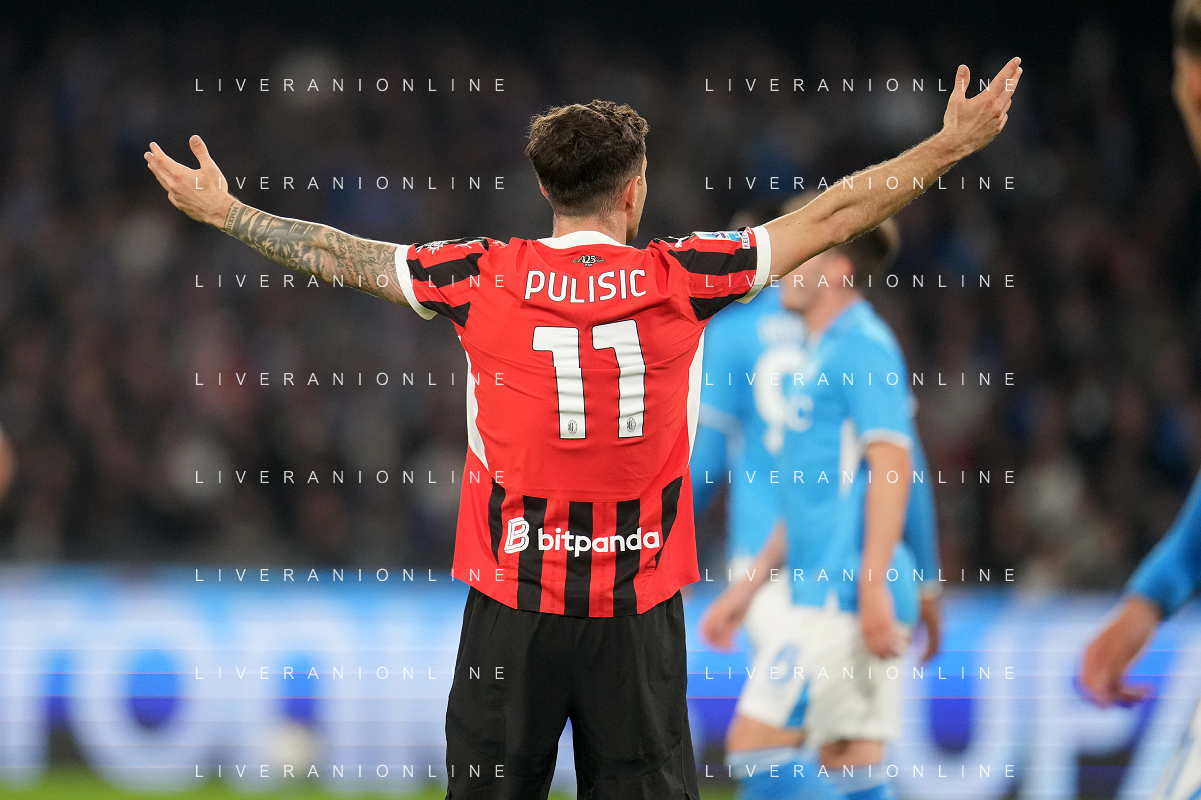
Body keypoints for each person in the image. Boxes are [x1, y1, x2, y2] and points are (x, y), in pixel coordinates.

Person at [144, 57, 1021, 800]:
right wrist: (952, 143)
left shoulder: (477, 275)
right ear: (633, 192)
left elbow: (341, 256)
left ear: (543, 188)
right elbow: (834, 216)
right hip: (633, 618)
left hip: (509, 612)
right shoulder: (685, 276)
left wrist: (227, 212)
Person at [692, 203, 941, 799]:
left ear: (836, 268)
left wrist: (875, 584)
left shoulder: (863, 346)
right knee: (849, 763)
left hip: (845, 590)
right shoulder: (822, 353)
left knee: (755, 748)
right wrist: (749, 586)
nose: (783, 265)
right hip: (820, 586)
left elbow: (895, 466)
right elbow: (811, 494)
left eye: (801, 252)